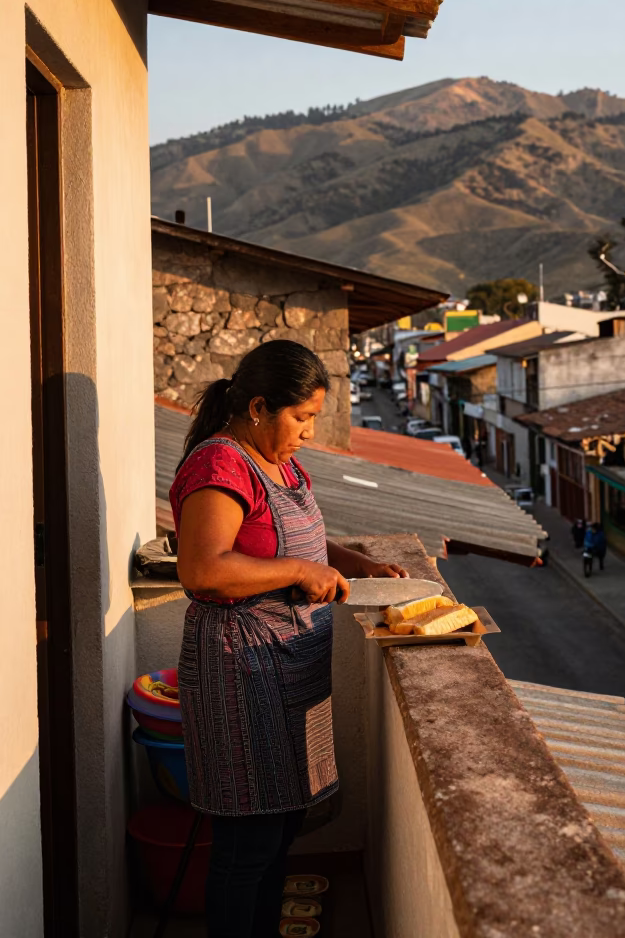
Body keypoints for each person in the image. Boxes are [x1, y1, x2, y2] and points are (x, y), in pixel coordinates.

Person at [171, 341, 406, 938]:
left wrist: (361, 565)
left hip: (288, 664)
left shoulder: (279, 460)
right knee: (246, 842)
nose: (307, 432)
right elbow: (204, 569)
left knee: (280, 828)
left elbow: (303, 540)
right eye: (300, 418)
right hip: (240, 670)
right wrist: (302, 575)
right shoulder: (219, 464)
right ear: (257, 407)